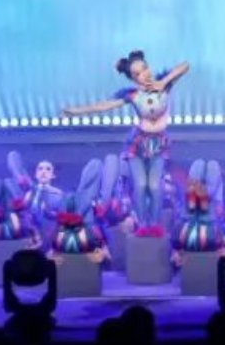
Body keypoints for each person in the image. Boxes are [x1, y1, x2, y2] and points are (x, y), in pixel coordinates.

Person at [61, 49, 189, 225]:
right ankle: (142, 225)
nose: (144, 74)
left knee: (154, 186)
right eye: (138, 73)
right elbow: (104, 106)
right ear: (133, 78)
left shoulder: (164, 85)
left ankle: (153, 226)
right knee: (140, 185)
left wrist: (164, 82)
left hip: (159, 143)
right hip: (137, 144)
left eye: (145, 68)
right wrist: (75, 111)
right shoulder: (133, 95)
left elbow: (185, 66)